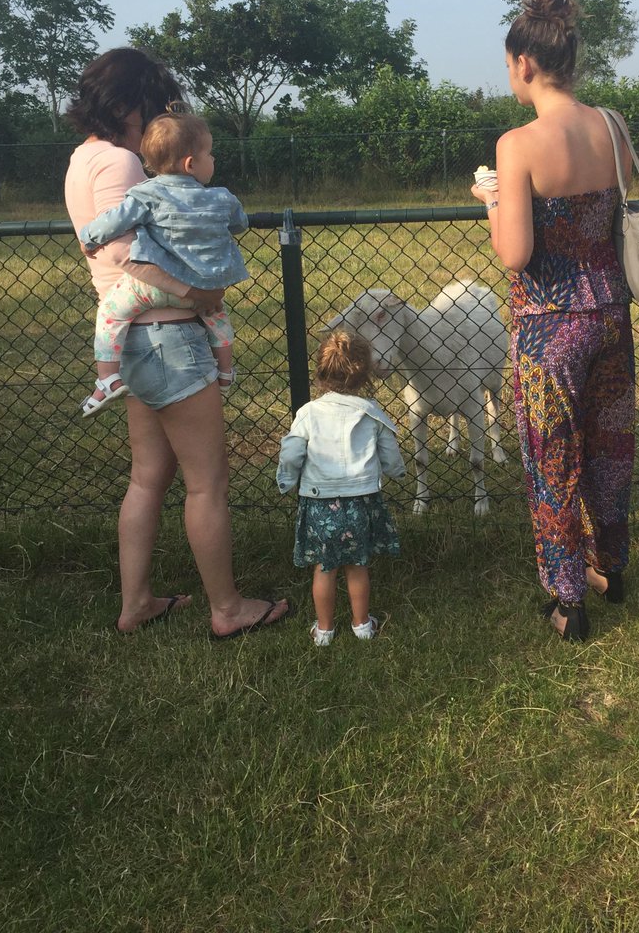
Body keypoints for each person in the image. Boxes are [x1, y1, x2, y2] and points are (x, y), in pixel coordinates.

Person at [64, 46, 289, 636]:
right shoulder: (121, 165)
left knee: (148, 478)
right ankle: (227, 608)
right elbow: (122, 253)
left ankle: (136, 603)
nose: (162, 114)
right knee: (207, 483)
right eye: (158, 101)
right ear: (130, 102)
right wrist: (197, 297)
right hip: (168, 336)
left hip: (134, 342)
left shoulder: (83, 158)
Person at [471, 0, 635, 643]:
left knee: (553, 461)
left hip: (549, 328)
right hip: (612, 315)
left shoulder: (518, 144)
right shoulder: (612, 125)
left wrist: (489, 201)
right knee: (610, 450)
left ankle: (569, 601)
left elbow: (515, 252)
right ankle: (611, 567)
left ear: (525, 64)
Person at [77, 109, 247, 417]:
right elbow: (239, 224)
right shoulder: (222, 198)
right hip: (205, 288)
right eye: (210, 154)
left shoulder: (146, 195)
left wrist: (89, 237)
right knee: (218, 320)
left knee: (111, 314)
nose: (214, 160)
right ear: (191, 164)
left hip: (152, 287)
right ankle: (225, 372)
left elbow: (113, 222)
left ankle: (107, 379)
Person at [276, 330, 405, 647]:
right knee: (357, 565)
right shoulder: (372, 414)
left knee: (325, 567)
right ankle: (362, 625)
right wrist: (396, 471)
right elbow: (390, 452)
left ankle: (324, 631)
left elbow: (292, 452)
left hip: (321, 506)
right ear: (365, 376)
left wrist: (286, 480)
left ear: (320, 373)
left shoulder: (308, 414)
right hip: (360, 502)